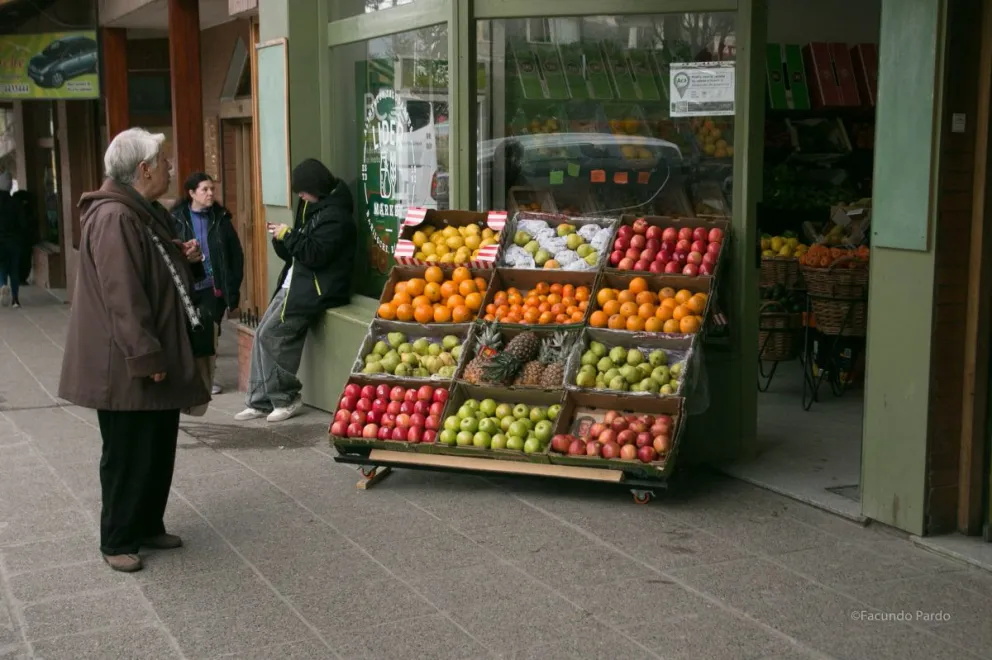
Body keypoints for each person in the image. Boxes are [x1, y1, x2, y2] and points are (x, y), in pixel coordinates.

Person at [58, 128, 210, 573]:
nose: (169, 168)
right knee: (127, 452)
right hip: (124, 363)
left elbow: (149, 268)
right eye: (163, 161)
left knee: (156, 445)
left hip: (147, 353)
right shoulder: (115, 217)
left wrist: (184, 256)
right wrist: (145, 355)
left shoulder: (139, 210)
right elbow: (122, 293)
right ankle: (118, 539)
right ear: (143, 170)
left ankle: (146, 524)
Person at [235, 158, 356, 423]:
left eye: (303, 191)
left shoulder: (337, 217)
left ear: (316, 187)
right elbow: (299, 248)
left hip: (314, 289)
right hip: (295, 281)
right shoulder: (310, 206)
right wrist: (281, 238)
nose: (300, 196)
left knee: (274, 336)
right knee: (262, 333)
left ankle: (286, 397)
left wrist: (289, 236)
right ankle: (260, 401)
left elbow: (316, 254)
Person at [170, 172, 245, 396]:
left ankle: (207, 378)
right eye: (205, 189)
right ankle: (191, 376)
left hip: (214, 286)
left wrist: (232, 284)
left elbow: (235, 254)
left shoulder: (220, 218)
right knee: (188, 330)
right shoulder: (177, 218)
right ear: (192, 193)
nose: (210, 193)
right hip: (189, 286)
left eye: (212, 189)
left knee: (211, 332)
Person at [0, 170, 24, 308]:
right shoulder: (15, 202)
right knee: (14, 269)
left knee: (1, 265)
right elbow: (22, 223)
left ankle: (2, 284)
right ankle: (15, 299)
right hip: (14, 240)